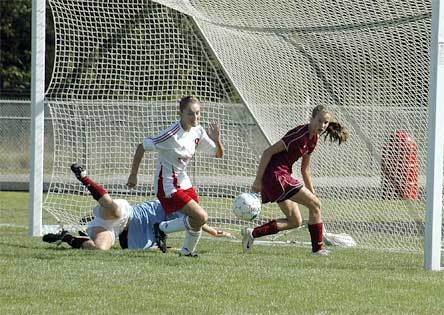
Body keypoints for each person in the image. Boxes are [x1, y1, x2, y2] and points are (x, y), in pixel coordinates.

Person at [43, 164, 233, 250]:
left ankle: (68, 237)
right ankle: (84, 178)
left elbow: (194, 221)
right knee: (115, 209)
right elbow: (194, 220)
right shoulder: (173, 202)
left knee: (99, 250)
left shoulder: (177, 217)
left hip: (115, 230)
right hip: (126, 215)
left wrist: (214, 232)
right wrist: (212, 231)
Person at [243, 105, 348, 256]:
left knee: (295, 221)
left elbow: (305, 169)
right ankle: (317, 250)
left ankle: (252, 233)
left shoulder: (314, 139)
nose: (322, 126)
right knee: (316, 205)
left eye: (325, 123)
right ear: (312, 119)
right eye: (319, 121)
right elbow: (267, 152)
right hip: (276, 175)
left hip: (281, 176)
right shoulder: (299, 134)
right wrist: (257, 182)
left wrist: (312, 192)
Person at [127, 96, 224, 257]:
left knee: (197, 220)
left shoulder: (198, 130)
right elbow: (141, 147)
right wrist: (133, 175)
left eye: (198, 113)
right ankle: (161, 228)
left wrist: (217, 140)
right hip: (167, 184)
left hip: (183, 181)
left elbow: (218, 154)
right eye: (190, 114)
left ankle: (186, 252)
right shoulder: (170, 135)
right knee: (201, 217)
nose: (195, 117)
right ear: (181, 113)